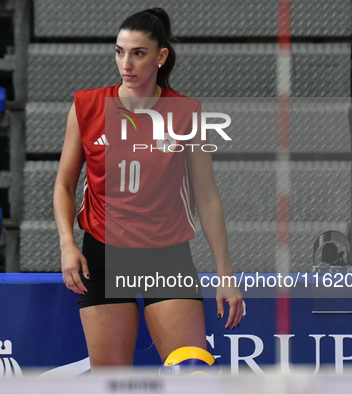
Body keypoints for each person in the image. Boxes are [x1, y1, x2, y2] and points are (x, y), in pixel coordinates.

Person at [54, 8, 243, 368]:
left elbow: (207, 196)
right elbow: (64, 185)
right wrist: (67, 244)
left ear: (161, 56)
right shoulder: (86, 106)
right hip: (103, 253)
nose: (126, 63)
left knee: (191, 372)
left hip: (166, 254)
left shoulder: (186, 113)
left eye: (138, 53)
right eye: (119, 51)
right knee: (112, 381)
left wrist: (225, 273)